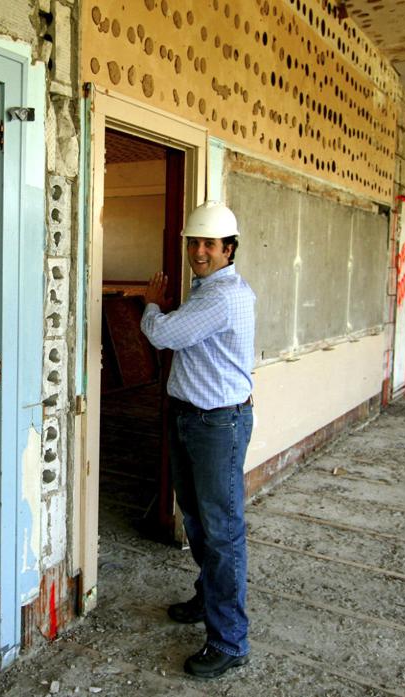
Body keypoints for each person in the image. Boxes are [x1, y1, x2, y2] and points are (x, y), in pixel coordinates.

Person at [140, 201, 256, 679]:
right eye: (195, 243)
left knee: (222, 531)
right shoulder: (206, 289)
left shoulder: (220, 297)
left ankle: (230, 640)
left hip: (216, 426)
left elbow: (162, 335)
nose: (200, 251)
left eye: (210, 244)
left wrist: (149, 303)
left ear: (229, 250)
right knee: (198, 519)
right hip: (197, 419)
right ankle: (208, 598)